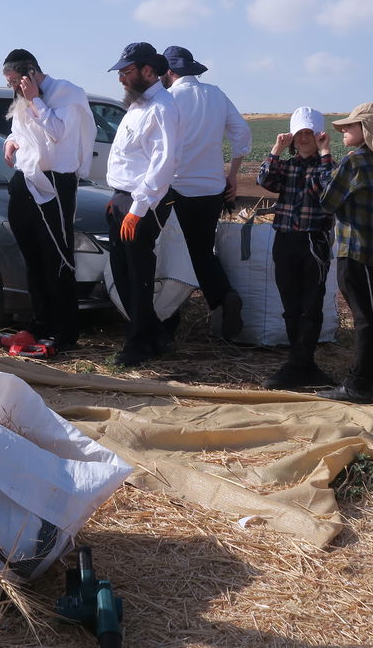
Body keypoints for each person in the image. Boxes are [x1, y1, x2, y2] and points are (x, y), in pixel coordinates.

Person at [0, 48, 96, 350]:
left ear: (30, 72)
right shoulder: (23, 98)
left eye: (15, 81)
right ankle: (39, 323)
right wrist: (10, 142)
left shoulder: (68, 94)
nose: (14, 88)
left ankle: (65, 331)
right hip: (25, 180)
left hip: (55, 182)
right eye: (9, 83)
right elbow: (18, 131)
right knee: (33, 257)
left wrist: (35, 100)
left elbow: (57, 132)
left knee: (57, 257)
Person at [160, 45, 251, 342]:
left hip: (177, 189)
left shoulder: (168, 98)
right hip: (212, 189)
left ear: (169, 71)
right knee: (201, 251)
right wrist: (233, 175)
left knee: (173, 255)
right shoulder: (216, 94)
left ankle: (167, 321)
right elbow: (242, 133)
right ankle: (223, 295)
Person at [316, 103, 373, 404]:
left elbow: (327, 201)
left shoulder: (355, 161)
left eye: (350, 126)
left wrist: (325, 159)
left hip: (353, 251)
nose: (343, 130)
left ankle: (358, 384)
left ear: (366, 130)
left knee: (365, 319)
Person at [104, 41, 180, 366]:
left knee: (138, 275)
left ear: (148, 71)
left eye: (126, 71)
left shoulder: (161, 108)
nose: (121, 78)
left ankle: (140, 344)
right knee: (122, 272)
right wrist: (117, 200)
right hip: (124, 198)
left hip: (143, 202)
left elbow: (163, 164)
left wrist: (137, 209)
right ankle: (152, 334)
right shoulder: (138, 105)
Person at [256, 106, 335, 389]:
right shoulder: (287, 166)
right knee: (291, 305)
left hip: (314, 241)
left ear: (319, 135)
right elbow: (265, 180)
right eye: (299, 133)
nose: (303, 138)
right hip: (286, 239)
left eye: (309, 133)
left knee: (311, 305)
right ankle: (302, 364)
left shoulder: (328, 165)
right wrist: (276, 150)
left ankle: (299, 365)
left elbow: (329, 189)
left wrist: (325, 153)